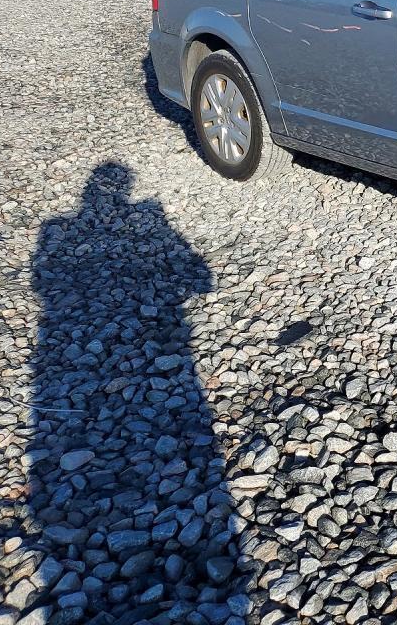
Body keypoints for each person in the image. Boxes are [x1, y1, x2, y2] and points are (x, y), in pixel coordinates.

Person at [25, 163, 246, 621]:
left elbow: (42, 282)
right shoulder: (141, 216)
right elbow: (200, 279)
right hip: (158, 342)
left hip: (58, 352)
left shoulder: (57, 229)